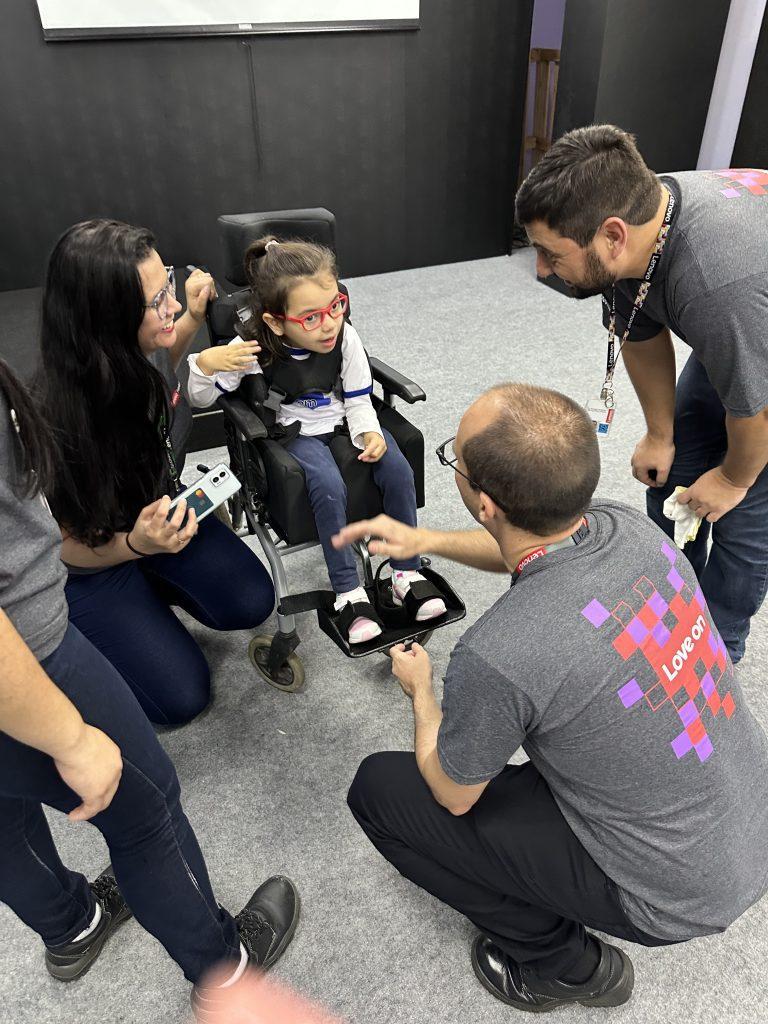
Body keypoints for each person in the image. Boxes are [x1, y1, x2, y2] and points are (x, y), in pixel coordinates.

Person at [335, 383, 768, 1013]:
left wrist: (422, 693)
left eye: (455, 457)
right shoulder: (627, 529)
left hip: (671, 895)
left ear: (485, 503)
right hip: (745, 822)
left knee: (380, 790)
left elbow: (454, 795)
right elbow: (528, 548)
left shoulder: (499, 653)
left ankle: (567, 967)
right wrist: (424, 541)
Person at [0, 357, 298, 1018]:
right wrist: (69, 736)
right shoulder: (56, 402)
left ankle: (71, 926)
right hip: (28, 647)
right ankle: (226, 971)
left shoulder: (146, 365)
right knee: (144, 811)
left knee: (2, 814)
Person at [514, 125, 768, 665]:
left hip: (749, 320)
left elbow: (757, 406)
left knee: (744, 521)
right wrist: (659, 433)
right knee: (674, 470)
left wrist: (731, 479)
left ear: (611, 234)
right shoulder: (641, 228)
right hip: (744, 322)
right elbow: (641, 327)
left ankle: (716, 651)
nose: (540, 269)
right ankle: (674, 606)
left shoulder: (715, 284)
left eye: (548, 254)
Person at [34, 220, 275, 726]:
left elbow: (164, 354)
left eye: (166, 280)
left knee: (252, 600)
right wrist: (138, 546)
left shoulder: (132, 354)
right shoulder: (57, 422)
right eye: (155, 299)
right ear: (106, 317)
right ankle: (103, 617)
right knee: (181, 698)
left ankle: (152, 586)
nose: (168, 303)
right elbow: (62, 546)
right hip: (88, 564)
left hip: (156, 514)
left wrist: (188, 314)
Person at [186, 235, 445, 644]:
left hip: (344, 421)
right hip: (293, 431)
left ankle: (405, 573)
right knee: (327, 484)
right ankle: (349, 594)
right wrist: (204, 364)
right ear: (275, 320)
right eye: (311, 318)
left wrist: (370, 434)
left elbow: (360, 399)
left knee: (396, 466)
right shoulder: (254, 344)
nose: (328, 324)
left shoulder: (345, 337)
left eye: (335, 307)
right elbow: (200, 397)